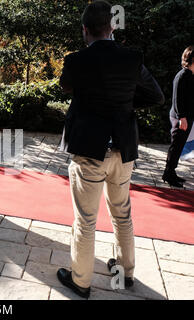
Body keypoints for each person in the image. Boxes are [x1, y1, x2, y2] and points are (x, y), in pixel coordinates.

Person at [57, 1, 165, 298]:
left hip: (90, 151)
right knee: (122, 214)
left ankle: (80, 281)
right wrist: (125, 106)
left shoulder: (76, 60)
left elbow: (66, 86)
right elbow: (156, 96)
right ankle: (125, 273)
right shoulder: (131, 59)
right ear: (112, 27)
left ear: (85, 30)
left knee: (86, 220)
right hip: (122, 149)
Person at [162, 46, 194, 187]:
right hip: (180, 117)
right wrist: (182, 118)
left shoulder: (192, 75)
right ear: (192, 59)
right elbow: (177, 99)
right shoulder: (182, 75)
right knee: (176, 146)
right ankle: (168, 174)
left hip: (187, 116)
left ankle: (171, 172)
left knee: (180, 145)